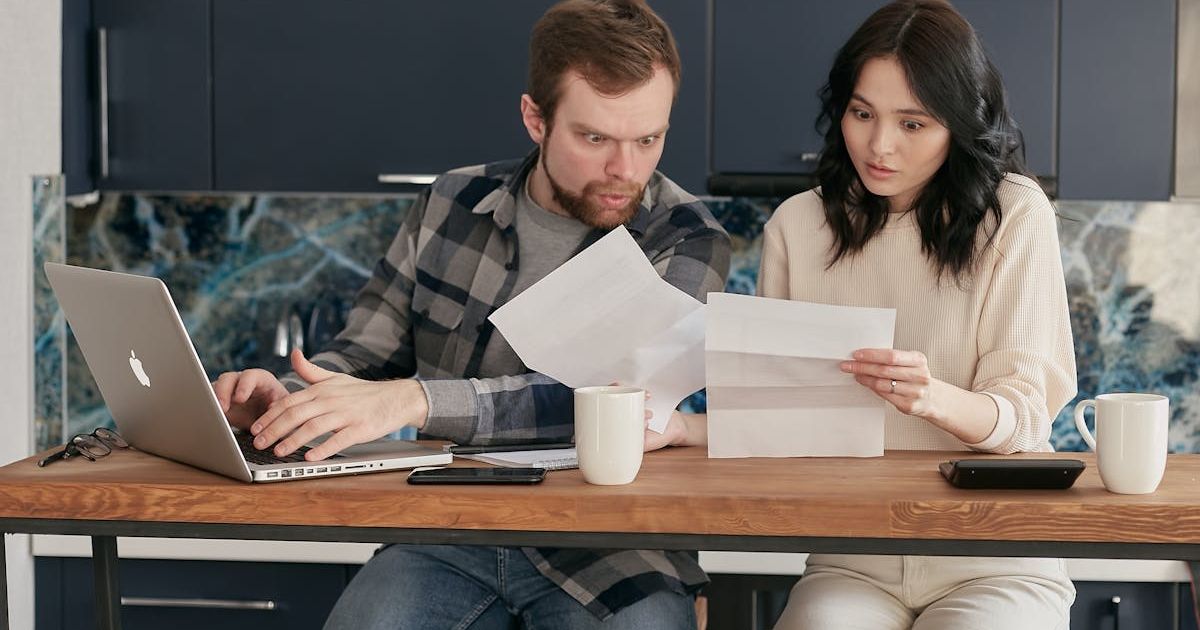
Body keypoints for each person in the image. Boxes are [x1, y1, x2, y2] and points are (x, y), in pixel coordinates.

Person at [211, 1, 730, 627]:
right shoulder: (450, 202)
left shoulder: (686, 238)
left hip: (614, 545)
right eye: (594, 138)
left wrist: (414, 402)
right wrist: (286, 401)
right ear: (535, 119)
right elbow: (360, 359)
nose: (627, 169)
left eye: (648, 139)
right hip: (448, 527)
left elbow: (609, 400)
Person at [655, 1, 1077, 628]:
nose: (879, 146)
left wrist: (929, 396)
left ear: (959, 124)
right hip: (853, 557)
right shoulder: (799, 225)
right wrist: (683, 429)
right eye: (862, 114)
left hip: (998, 556)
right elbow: (782, 417)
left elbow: (1023, 414)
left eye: (914, 124)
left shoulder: (1014, 214)